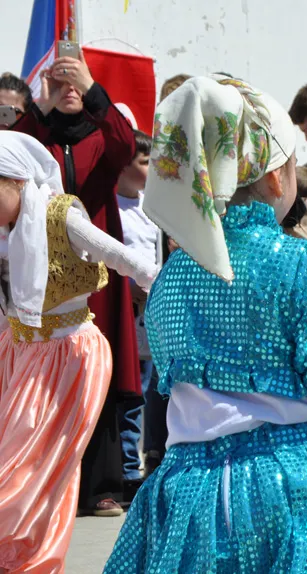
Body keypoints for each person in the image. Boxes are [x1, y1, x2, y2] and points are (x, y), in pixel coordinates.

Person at [104, 76, 307, 572]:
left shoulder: (173, 275)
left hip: (186, 493)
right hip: (285, 487)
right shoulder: (303, 261)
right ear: (276, 177)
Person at [0, 131, 158, 573]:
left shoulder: (58, 214)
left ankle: (27, 557)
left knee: (29, 467)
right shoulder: (6, 225)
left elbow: (122, 257)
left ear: (14, 181)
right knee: (26, 464)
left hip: (68, 355)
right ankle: (19, 558)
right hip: (19, 350)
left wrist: (171, 284)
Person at [13, 45, 142, 517]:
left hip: (97, 277)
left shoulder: (100, 136)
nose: (70, 91)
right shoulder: (35, 136)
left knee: (99, 373)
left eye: (76, 85)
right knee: (46, 378)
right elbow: (9, 157)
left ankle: (104, 487)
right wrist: (42, 103)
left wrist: (90, 88)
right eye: (60, 83)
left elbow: (127, 146)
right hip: (41, 277)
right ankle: (49, 482)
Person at [115, 129, 163, 498]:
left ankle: (150, 458)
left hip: (153, 315)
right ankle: (129, 469)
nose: (151, 169)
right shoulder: (111, 207)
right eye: (145, 162)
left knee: (152, 392)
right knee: (132, 393)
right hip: (128, 315)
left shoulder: (151, 207)